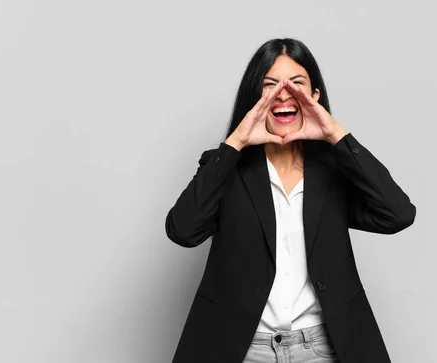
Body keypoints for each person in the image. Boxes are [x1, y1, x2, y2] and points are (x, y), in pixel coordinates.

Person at [165, 38, 416, 363]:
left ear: (314, 97)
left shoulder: (333, 171)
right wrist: (236, 142)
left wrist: (335, 135)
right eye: (270, 86)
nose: (283, 94)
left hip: (323, 349)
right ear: (255, 99)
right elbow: (183, 229)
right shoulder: (224, 167)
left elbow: (397, 213)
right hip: (242, 349)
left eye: (296, 84)